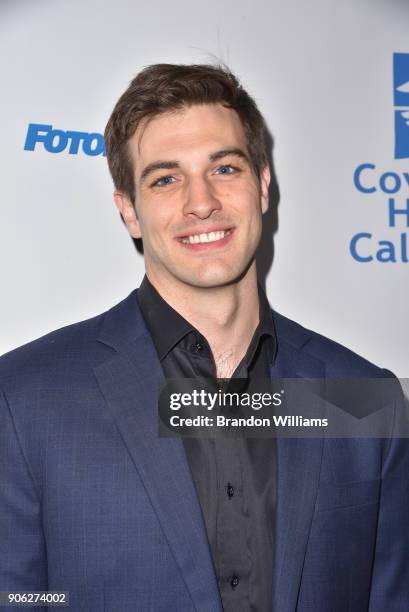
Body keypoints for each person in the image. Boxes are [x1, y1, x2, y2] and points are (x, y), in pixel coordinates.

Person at [0, 63, 408, 612]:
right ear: (129, 211)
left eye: (224, 168)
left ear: (263, 185)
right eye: (165, 178)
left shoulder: (361, 397)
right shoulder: (24, 400)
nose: (201, 203)